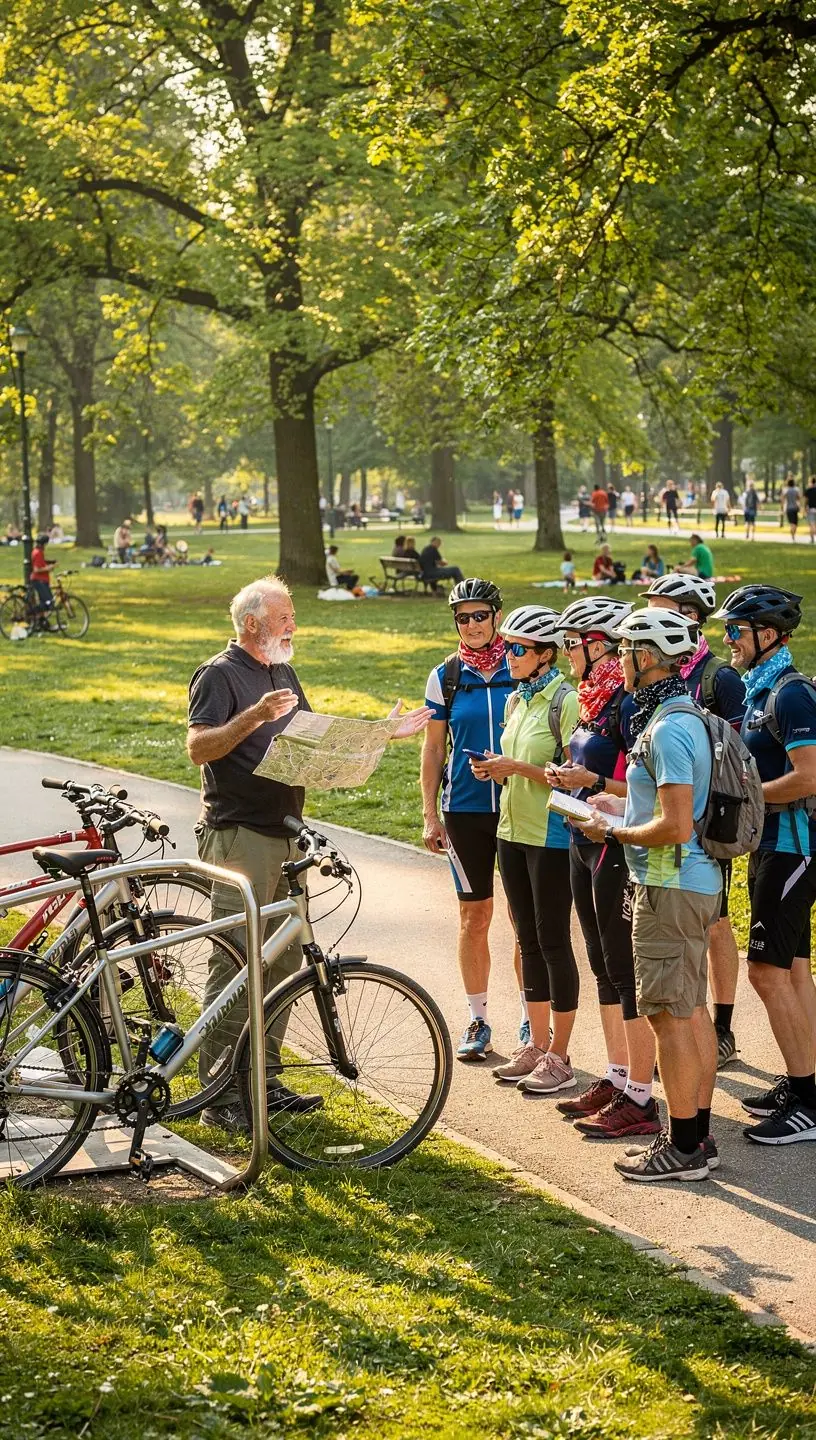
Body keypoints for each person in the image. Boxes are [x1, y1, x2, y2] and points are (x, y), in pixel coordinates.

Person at [187, 576, 430, 1132]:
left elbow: (316, 740)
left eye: (291, 616)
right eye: (284, 617)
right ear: (252, 623)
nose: (293, 625)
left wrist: (382, 733)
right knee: (236, 961)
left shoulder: (283, 671)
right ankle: (219, 1094)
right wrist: (253, 717)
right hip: (238, 832)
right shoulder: (218, 674)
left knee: (285, 962)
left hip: (286, 829)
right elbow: (198, 748)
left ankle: (263, 1080)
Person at [578, 607, 722, 1182]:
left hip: (669, 882)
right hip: (691, 882)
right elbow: (662, 809)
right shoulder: (684, 716)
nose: (618, 661)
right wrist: (621, 807)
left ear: (645, 657)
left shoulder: (666, 729)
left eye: (626, 651)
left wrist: (611, 829)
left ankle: (682, 1147)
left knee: (666, 1015)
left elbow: (675, 824)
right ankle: (697, 1137)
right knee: (688, 1012)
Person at [545, 597, 661, 1138]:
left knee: (623, 968)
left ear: (599, 645)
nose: (565, 651)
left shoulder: (628, 704)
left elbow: (642, 786)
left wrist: (588, 784)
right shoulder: (593, 697)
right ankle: (617, 1077)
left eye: (571, 642)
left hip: (612, 842)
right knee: (600, 963)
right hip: (580, 835)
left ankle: (642, 1094)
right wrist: (569, 775)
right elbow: (592, 765)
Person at [713, 585, 816, 1145]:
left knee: (766, 972)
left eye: (736, 630)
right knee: (795, 969)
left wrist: (748, 799)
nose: (727, 639)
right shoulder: (761, 688)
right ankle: (807, 1085)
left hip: (792, 846)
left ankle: (806, 1102)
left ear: (768, 635)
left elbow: (810, 775)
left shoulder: (791, 693)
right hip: (772, 844)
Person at [472, 606, 580, 1093]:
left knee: (554, 941)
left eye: (517, 648)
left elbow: (572, 777)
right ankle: (537, 1044)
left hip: (551, 836)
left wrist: (515, 767)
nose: (507, 655)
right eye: (507, 646)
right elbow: (518, 764)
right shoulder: (518, 701)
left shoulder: (567, 701)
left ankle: (561, 1055)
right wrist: (499, 766)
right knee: (527, 941)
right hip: (511, 832)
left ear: (544, 654)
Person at [643, 574, 746, 1069]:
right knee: (685, 937)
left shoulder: (717, 678)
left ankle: (720, 1028)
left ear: (688, 616)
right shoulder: (656, 678)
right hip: (666, 845)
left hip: (707, 830)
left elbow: (739, 759)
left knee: (717, 923)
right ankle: (692, 1032)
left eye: (663, 609)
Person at [421, 579, 519, 1060]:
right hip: (465, 812)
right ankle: (478, 1018)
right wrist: (429, 814)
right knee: (474, 916)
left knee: (527, 921)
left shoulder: (521, 663)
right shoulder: (446, 675)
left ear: (497, 616)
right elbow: (435, 747)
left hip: (522, 808)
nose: (473, 625)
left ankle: (530, 1016)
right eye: (463, 617)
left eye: (481, 615)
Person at [30, 533, 56, 623]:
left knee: (43, 602)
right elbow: (36, 569)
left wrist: (49, 562)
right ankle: (31, 612)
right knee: (49, 602)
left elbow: (40, 563)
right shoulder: (38, 553)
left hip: (42, 580)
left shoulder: (37, 552)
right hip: (39, 580)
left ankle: (42, 622)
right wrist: (49, 568)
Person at [805, 475, 816, 544]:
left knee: (812, 525)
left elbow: (806, 500)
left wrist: (804, 508)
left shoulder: (808, 490)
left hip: (811, 509)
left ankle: (812, 540)